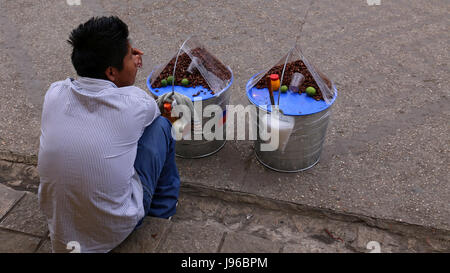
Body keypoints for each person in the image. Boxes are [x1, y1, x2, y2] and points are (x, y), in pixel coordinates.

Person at [37, 16, 180, 253]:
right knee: (162, 128)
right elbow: (153, 115)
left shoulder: (54, 93)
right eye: (130, 57)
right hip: (113, 231)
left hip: (62, 233)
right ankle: (162, 212)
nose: (135, 61)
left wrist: (119, 55)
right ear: (112, 72)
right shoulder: (136, 103)